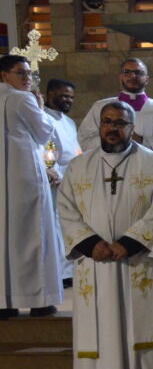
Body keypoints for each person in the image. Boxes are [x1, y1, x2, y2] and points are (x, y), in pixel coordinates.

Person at [56, 101, 153, 369]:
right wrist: (90, 244)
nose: (113, 128)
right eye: (107, 122)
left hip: (137, 264)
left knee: (143, 328)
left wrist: (129, 243)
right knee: (96, 332)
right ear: (99, 126)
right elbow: (65, 208)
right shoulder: (79, 167)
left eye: (120, 123)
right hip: (94, 266)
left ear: (131, 126)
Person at [0, 55, 63, 319]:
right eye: (21, 73)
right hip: (23, 174)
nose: (27, 79)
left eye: (29, 74)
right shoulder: (22, 98)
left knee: (5, 238)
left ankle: (5, 301)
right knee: (34, 235)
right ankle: (39, 300)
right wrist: (39, 106)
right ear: (4, 75)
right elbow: (43, 133)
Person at [77, 58, 153, 169]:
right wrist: (114, 140)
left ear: (147, 79)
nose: (133, 76)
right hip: (107, 169)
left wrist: (141, 140)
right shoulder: (100, 107)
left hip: (146, 170)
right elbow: (85, 139)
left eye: (139, 73)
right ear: (120, 77)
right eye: (127, 72)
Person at [44, 78, 81, 286]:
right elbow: (47, 148)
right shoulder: (43, 118)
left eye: (71, 97)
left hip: (73, 177)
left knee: (70, 225)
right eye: (64, 96)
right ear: (50, 95)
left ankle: (70, 270)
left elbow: (75, 150)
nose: (68, 100)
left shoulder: (69, 122)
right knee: (57, 226)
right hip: (56, 180)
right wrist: (52, 169)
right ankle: (62, 272)